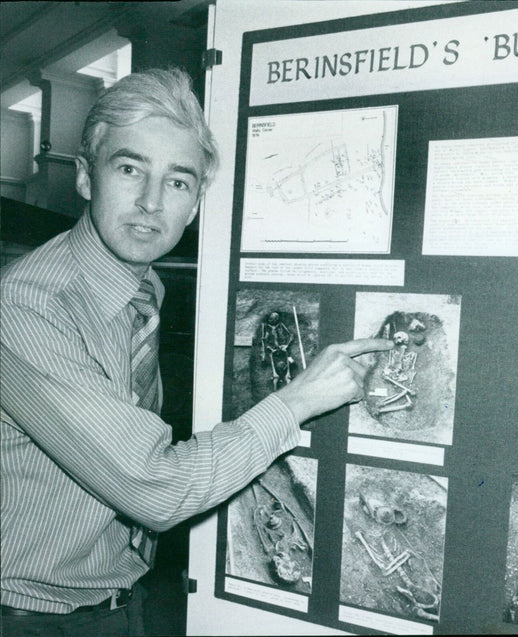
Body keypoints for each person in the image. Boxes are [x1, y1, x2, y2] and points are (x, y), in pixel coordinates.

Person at [0, 68, 392, 636]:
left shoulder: (142, 287)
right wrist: (297, 400)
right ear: (86, 177)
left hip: (118, 601)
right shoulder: (27, 307)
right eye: (130, 169)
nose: (151, 203)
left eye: (177, 182)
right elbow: (156, 489)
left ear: (196, 202)